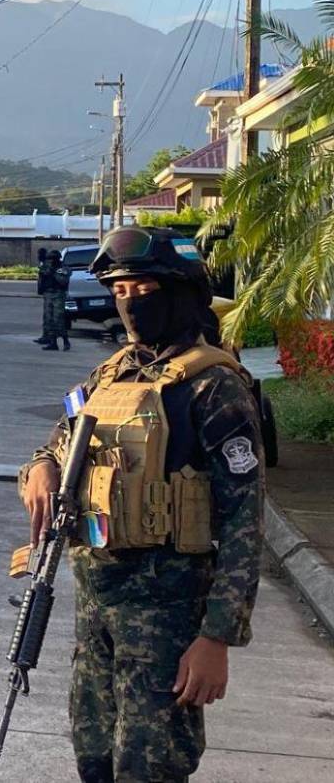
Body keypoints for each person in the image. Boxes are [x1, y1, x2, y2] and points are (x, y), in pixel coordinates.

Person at [18, 226, 264, 783]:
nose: (129, 302)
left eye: (144, 287)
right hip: (98, 610)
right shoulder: (112, 373)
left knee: (149, 767)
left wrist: (217, 638)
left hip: (167, 621)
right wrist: (38, 470)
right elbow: (56, 440)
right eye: (120, 289)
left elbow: (246, 521)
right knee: (94, 756)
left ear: (180, 292)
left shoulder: (213, 386)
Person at [42, 249, 71, 351]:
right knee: (49, 319)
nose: (50, 261)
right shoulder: (47, 267)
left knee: (58, 319)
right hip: (49, 294)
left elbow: (63, 281)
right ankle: (53, 343)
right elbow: (42, 278)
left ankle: (66, 341)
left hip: (58, 294)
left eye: (52, 259)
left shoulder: (63, 268)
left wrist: (54, 273)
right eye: (49, 259)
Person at [34, 247, 54, 346]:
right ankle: (46, 336)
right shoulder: (44, 263)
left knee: (49, 317)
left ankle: (50, 338)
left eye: (39, 254)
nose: (38, 256)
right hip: (46, 292)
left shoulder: (48, 264)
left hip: (51, 293)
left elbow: (48, 274)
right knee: (46, 317)